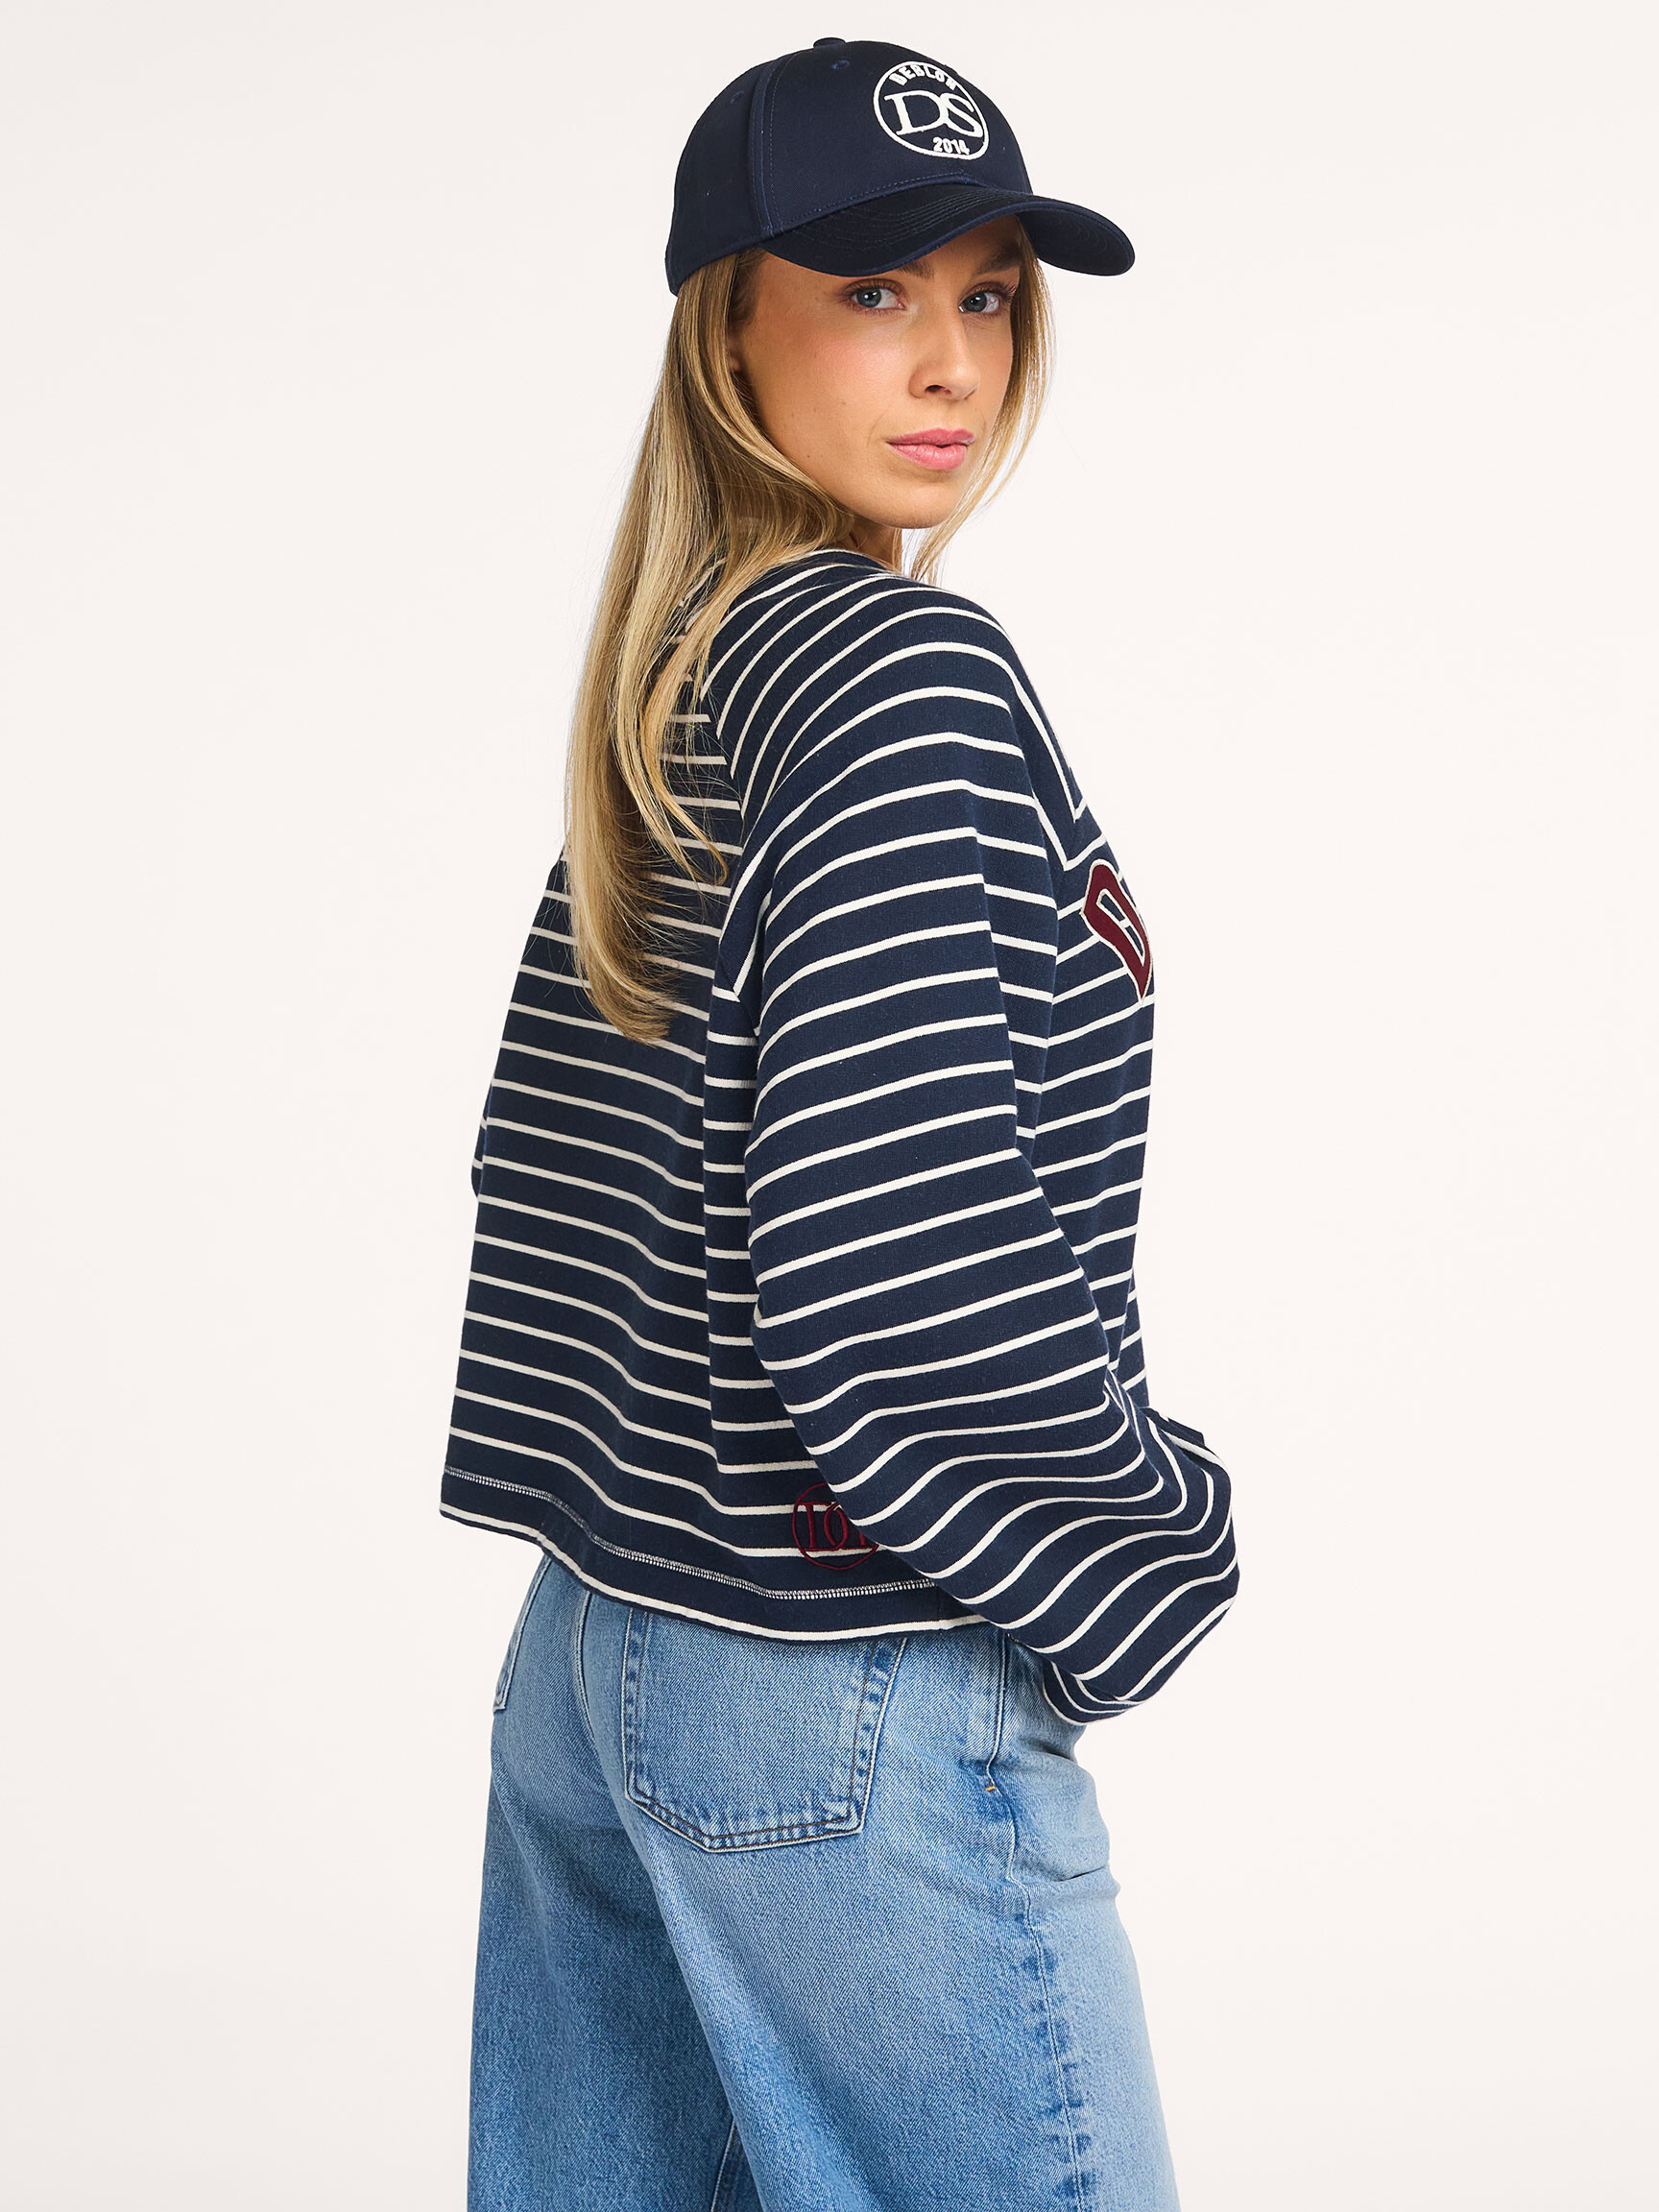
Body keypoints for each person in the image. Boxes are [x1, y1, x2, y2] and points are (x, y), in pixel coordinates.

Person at [445, 36, 1239, 2212]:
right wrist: (1144, 1538)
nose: (952, 359)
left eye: (987, 293)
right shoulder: (897, 676)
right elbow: (892, 1252)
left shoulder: (694, 671)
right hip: (835, 1664)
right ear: (731, 331)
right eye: (873, 291)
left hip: (605, 1640)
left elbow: (557, 1189)